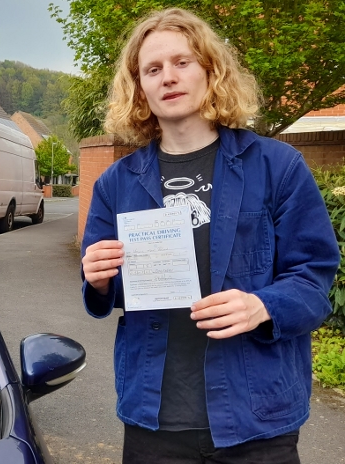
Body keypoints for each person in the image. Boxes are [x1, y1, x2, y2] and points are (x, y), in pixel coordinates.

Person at [80, 7, 340, 463]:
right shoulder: (116, 184)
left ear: (210, 70)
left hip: (257, 416)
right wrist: (98, 279)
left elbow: (315, 280)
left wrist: (262, 305)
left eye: (182, 62)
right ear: (139, 87)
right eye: (152, 69)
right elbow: (113, 292)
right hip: (154, 416)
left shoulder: (277, 166)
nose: (168, 78)